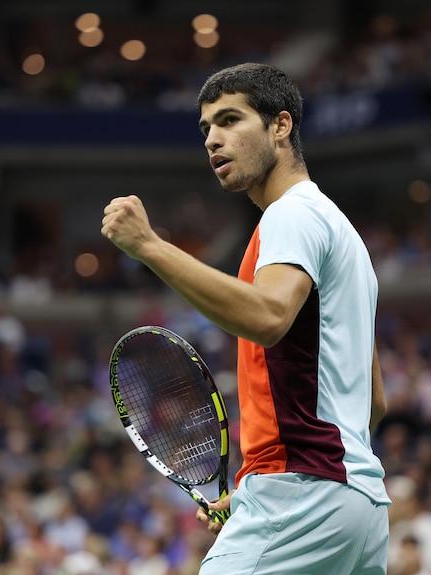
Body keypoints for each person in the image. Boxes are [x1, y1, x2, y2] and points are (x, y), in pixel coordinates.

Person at [101, 62, 390, 574]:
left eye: (231, 120)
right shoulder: (344, 236)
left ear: (281, 126)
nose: (213, 139)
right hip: (360, 507)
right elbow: (374, 402)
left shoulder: (290, 214)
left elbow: (269, 315)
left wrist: (150, 246)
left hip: (301, 493)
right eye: (207, 128)